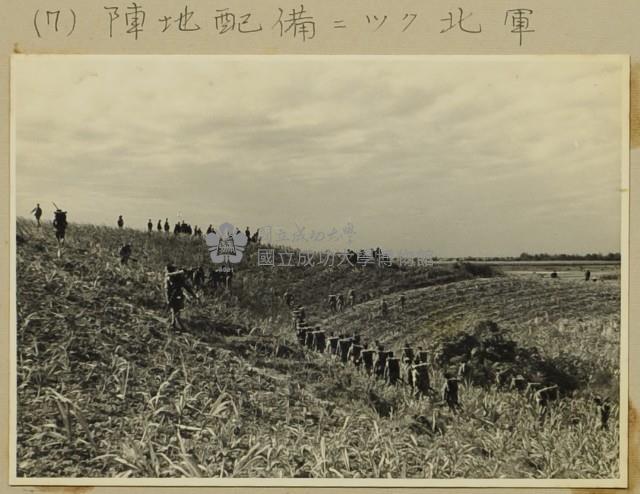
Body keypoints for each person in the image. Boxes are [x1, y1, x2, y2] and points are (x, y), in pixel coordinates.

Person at [164, 264, 198, 330]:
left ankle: (173, 323)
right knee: (175, 310)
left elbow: (186, 287)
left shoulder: (178, 278)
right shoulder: (169, 277)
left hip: (178, 295)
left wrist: (194, 295)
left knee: (177, 310)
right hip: (173, 296)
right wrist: (168, 299)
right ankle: (175, 324)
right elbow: (167, 289)